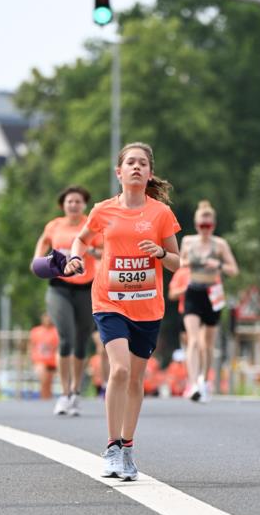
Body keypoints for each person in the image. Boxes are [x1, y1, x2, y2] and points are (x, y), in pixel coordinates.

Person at [64, 142, 180, 480]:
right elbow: (82, 240)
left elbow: (176, 262)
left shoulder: (160, 214)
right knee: (119, 370)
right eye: (130, 162)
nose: (136, 167)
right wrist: (75, 257)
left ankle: (128, 447)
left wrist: (159, 252)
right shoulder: (103, 210)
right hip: (109, 301)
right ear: (119, 172)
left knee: (136, 379)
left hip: (147, 305)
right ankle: (112, 446)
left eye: (142, 163)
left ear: (149, 173)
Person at [31, 185, 101, 416]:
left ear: (84, 205)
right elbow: (43, 241)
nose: (73, 205)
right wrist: (37, 259)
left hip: (85, 288)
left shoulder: (90, 226)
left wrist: (91, 252)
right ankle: (64, 393)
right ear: (63, 205)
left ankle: (75, 392)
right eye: (69, 201)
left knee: (81, 342)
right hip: (59, 287)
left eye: (78, 202)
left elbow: (104, 250)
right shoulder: (55, 225)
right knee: (66, 338)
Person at [179, 200, 238, 401]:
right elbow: (179, 262)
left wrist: (218, 265)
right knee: (193, 339)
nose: (205, 229)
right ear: (196, 225)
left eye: (209, 225)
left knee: (208, 343)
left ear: (213, 225)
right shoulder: (188, 241)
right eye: (201, 225)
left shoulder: (220, 244)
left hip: (213, 292)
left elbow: (234, 270)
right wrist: (193, 262)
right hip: (194, 290)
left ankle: (204, 379)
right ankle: (193, 383)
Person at [28, 312, 59, 400]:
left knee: (49, 382)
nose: (48, 320)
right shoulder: (36, 331)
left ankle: (47, 398)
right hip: (40, 361)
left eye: (49, 318)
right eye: (46, 317)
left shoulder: (56, 331)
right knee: (44, 379)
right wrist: (32, 358)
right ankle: (44, 398)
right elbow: (31, 345)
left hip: (53, 362)